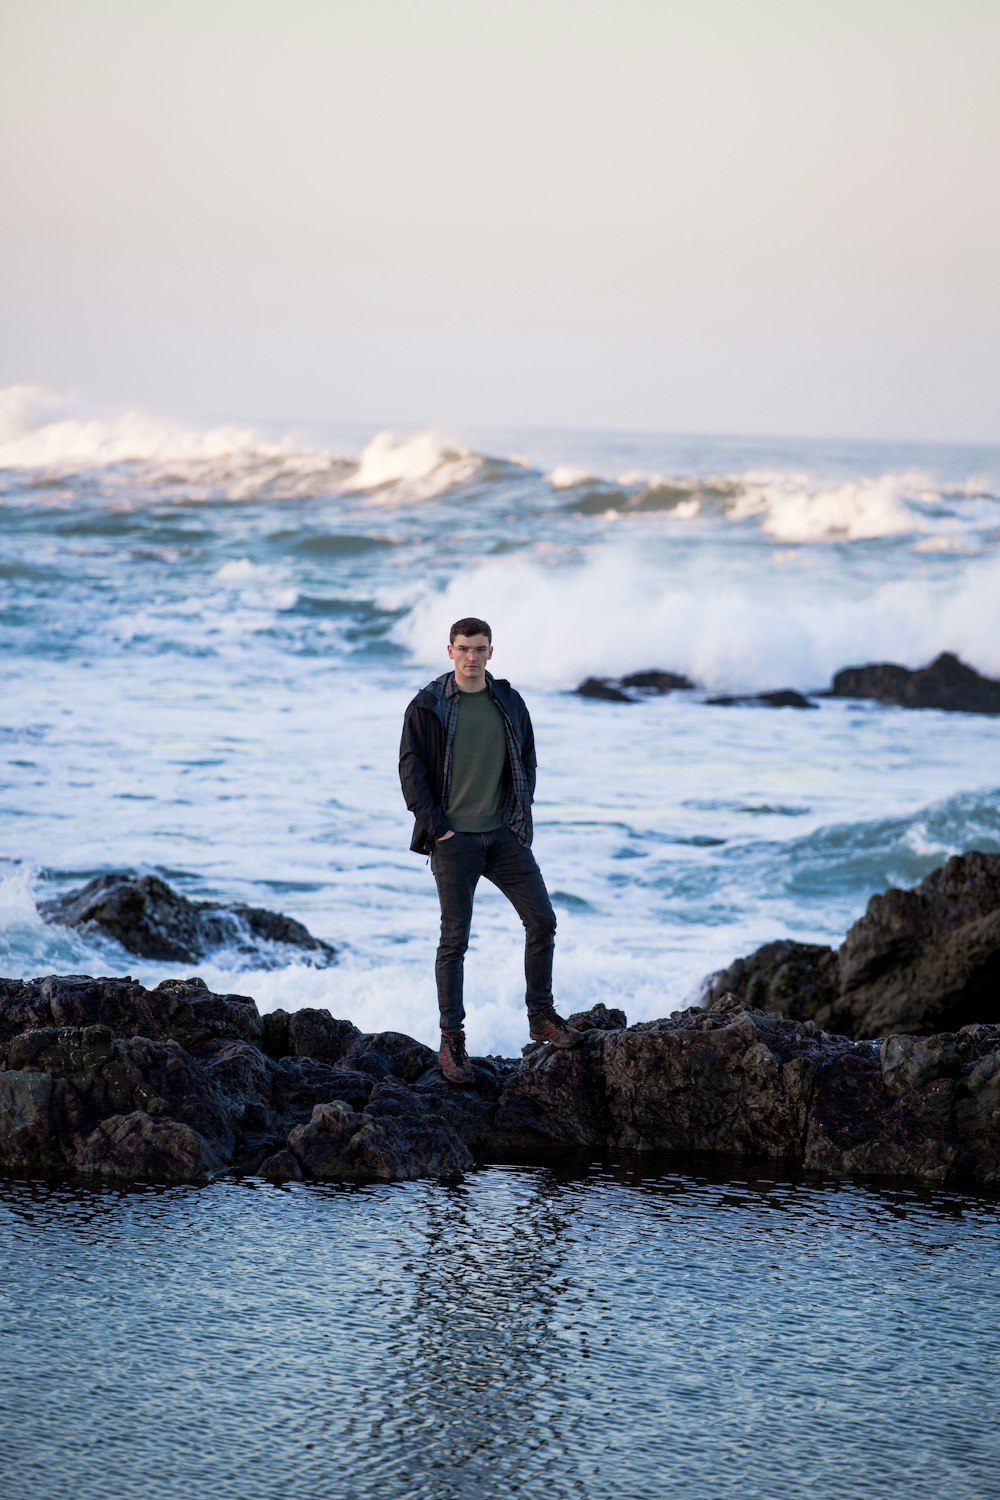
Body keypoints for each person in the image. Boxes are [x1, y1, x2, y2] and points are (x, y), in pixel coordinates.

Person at [399, 616, 581, 1083]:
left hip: (503, 836)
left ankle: (540, 1014)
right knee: (454, 941)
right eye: (464, 649)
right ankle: (451, 1039)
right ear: (450, 651)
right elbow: (411, 772)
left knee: (542, 920)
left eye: (480, 648)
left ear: (491, 651)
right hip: (453, 841)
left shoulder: (509, 701)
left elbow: (527, 759)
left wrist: (519, 815)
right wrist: (438, 830)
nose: (472, 657)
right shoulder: (427, 706)